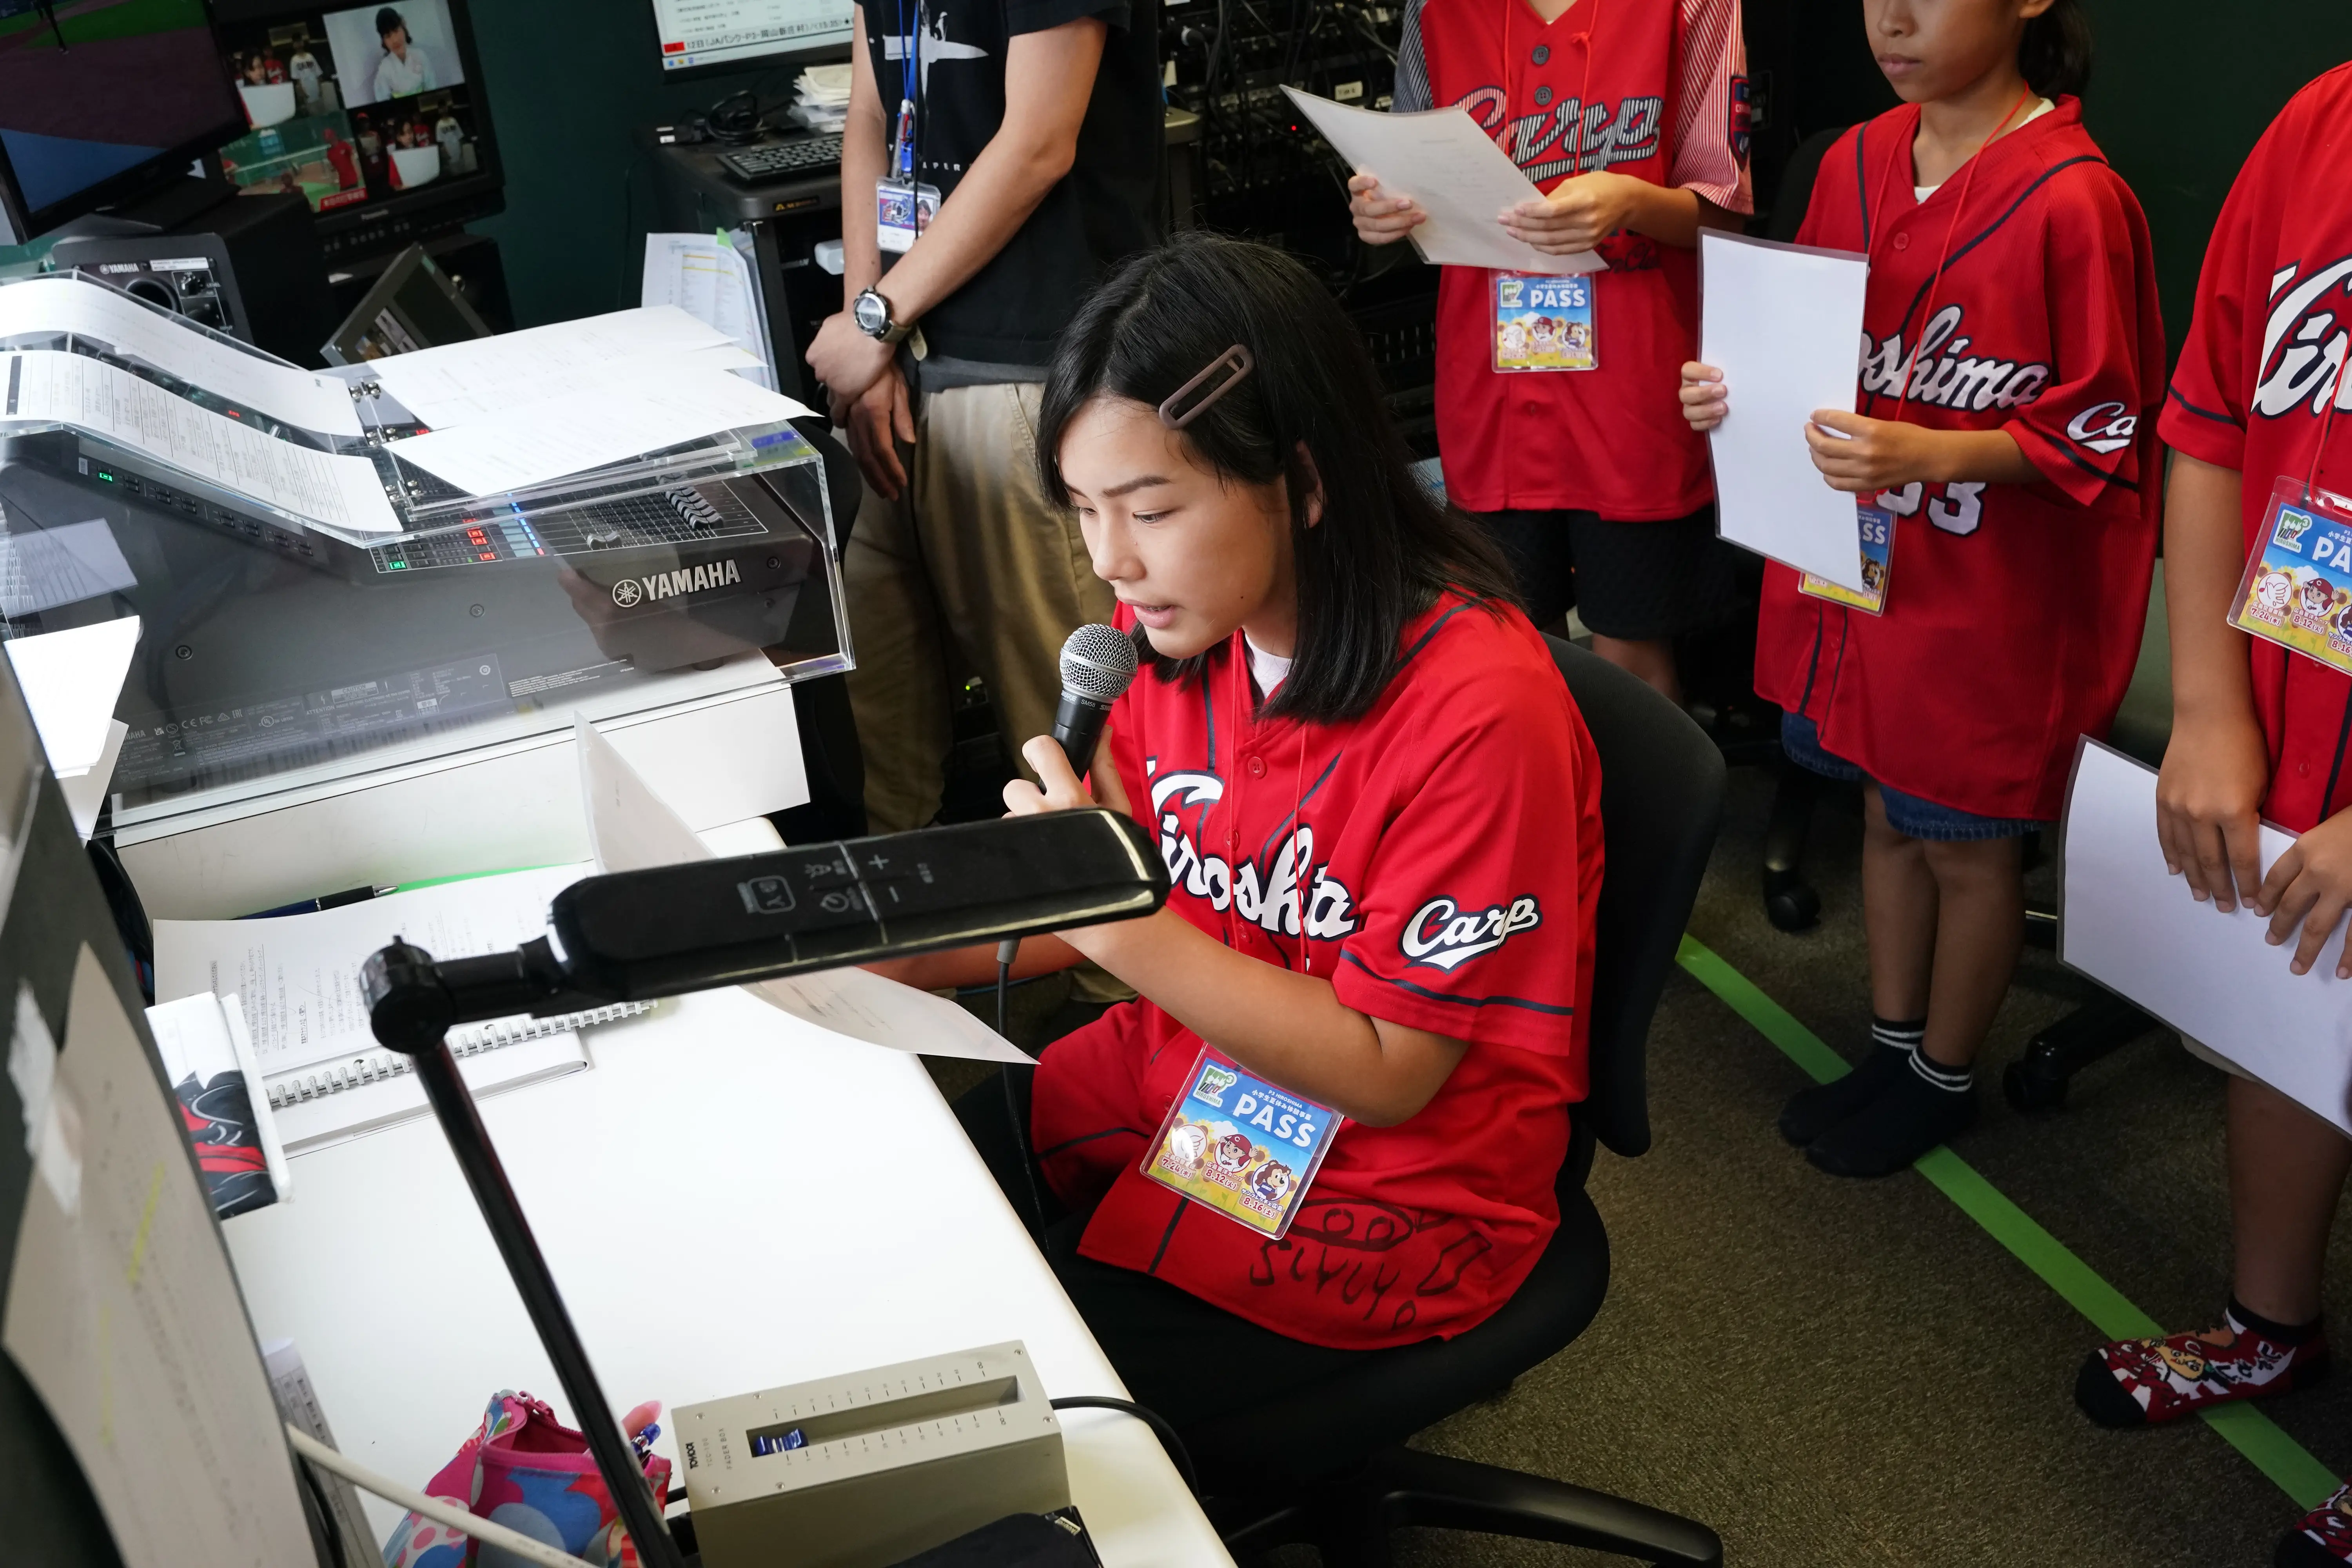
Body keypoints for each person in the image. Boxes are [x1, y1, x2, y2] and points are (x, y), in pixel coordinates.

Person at [873, 234, 1603, 1401]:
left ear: (1303, 485)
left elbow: (1387, 1071)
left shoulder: (1478, 710)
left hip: (1380, 1171)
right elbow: (1111, 880)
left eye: (1149, 510)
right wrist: (880, 951)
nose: (1111, 563)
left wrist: (1115, 928)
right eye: (1083, 511)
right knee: (914, 1224)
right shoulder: (1176, 643)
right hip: (1197, 1075)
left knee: (1014, 1376)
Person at [1678, 0, 2162, 1176]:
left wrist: (1933, 452)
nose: (1888, 19)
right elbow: (1800, 352)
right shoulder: (1846, 159)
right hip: (1860, 580)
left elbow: (2105, 430)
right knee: (1881, 816)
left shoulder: (2073, 196)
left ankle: (1942, 1077)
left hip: (1986, 600)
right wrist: (1729, 393)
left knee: (1965, 843)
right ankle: (1894, 1048)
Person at [2070, 61, 2352, 1568]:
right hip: (2297, 710)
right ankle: (2267, 1326)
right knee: (2283, 1032)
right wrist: (2207, 700)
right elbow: (2209, 422)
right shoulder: (2315, 124)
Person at [806, 0, 1160, 836]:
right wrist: (875, 326)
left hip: (1024, 377)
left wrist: (877, 322)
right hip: (901, 363)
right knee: (876, 744)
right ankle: (912, 960)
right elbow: (870, 113)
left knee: (1068, 751)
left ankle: (1118, 969)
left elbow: (1040, 141)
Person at [1345, 0, 1752, 701]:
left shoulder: (1694, 7)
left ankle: (1642, 815)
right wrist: (1384, 215)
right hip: (1491, 385)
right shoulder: (1435, 11)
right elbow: (1415, 188)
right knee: (1510, 656)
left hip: (1634, 388)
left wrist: (1630, 200)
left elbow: (1725, 213)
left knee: (1633, 652)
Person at [371, 7, 436, 100]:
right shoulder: (384, 69)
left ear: (404, 28)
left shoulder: (420, 56)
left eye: (396, 31)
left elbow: (431, 87)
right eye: (388, 36)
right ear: (384, 41)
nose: (395, 40)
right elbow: (382, 100)